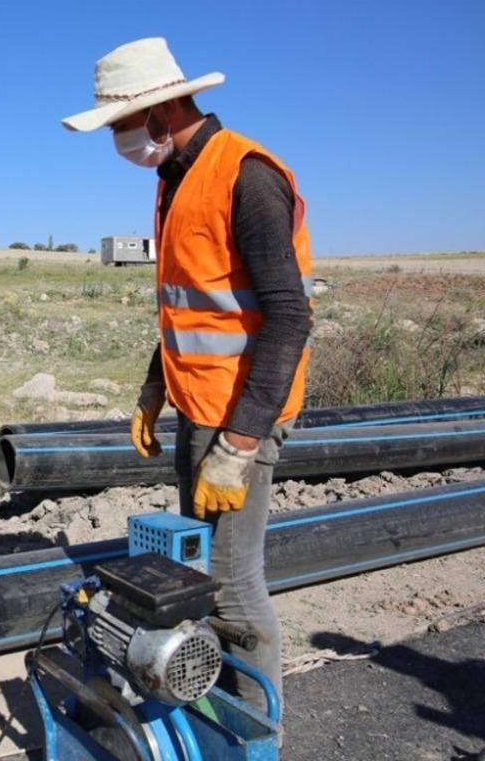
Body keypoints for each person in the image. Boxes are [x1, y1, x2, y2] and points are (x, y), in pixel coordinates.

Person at [62, 38, 313, 714]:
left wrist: (239, 445)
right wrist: (154, 390)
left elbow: (290, 317)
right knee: (197, 576)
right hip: (198, 406)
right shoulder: (175, 180)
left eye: (119, 124)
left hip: (241, 415)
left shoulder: (245, 175)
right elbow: (185, 302)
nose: (117, 140)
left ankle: (258, 735)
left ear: (163, 109)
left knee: (231, 584)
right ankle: (209, 706)